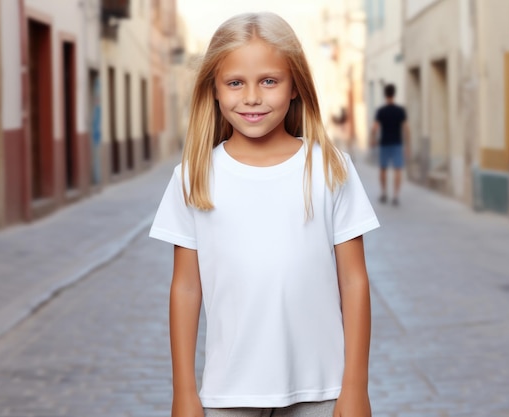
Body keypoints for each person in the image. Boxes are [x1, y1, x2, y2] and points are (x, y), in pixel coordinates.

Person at [149, 12, 379, 417]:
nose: (252, 97)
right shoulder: (193, 176)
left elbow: (354, 280)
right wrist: (184, 392)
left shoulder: (329, 167)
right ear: (215, 90)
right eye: (235, 83)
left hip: (321, 389)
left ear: (294, 87)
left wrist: (355, 386)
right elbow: (185, 289)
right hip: (227, 394)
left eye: (269, 81)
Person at [370, 84, 410, 206]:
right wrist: (407, 145)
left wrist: (373, 140)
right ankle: (396, 195)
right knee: (398, 169)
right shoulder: (400, 111)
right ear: (394, 94)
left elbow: (375, 128)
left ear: (385, 94)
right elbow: (406, 129)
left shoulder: (381, 111)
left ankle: (384, 193)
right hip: (397, 143)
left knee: (383, 169)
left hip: (384, 143)